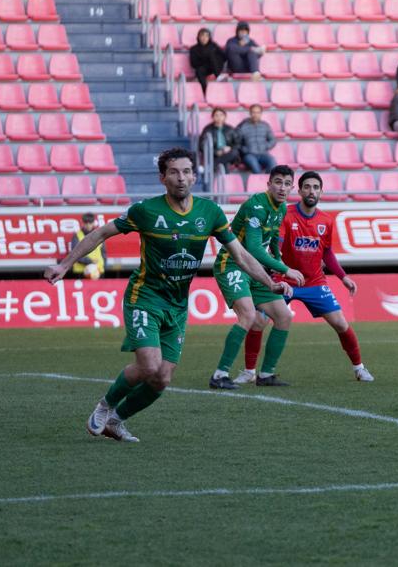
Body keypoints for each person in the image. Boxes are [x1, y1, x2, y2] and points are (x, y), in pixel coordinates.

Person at [45, 148, 280, 443]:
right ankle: (105, 406)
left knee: (162, 378)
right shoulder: (146, 210)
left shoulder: (210, 213)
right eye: (174, 172)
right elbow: (101, 233)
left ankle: (117, 421)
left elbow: (242, 255)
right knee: (149, 365)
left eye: (186, 172)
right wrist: (65, 264)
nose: (181, 178)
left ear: (194, 176)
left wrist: (269, 283)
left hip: (178, 305)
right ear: (162, 178)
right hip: (145, 297)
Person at [240, 172, 371, 384]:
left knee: (340, 323)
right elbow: (276, 245)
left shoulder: (326, 221)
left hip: (314, 282)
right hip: (285, 280)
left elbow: (327, 252)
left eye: (316, 187)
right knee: (258, 321)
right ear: (299, 191)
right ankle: (248, 371)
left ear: (321, 191)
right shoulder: (286, 215)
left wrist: (343, 277)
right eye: (307, 187)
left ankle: (360, 368)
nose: (312, 191)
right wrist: (275, 274)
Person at [208, 166, 305, 389]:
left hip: (256, 268)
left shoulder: (281, 209)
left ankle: (266, 374)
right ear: (268, 184)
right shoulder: (257, 205)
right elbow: (252, 247)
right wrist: (286, 268)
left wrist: (277, 268)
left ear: (292, 187)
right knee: (248, 315)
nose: (282, 187)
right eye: (278, 182)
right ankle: (220, 374)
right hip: (232, 264)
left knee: (283, 316)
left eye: (287, 183)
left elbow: (270, 241)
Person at [198, 107, 240, 173]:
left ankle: (210, 166)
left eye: (221, 115)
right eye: (216, 115)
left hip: (228, 153)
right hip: (214, 154)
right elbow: (201, 145)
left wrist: (230, 148)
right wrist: (216, 152)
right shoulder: (207, 129)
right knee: (225, 164)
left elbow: (238, 144)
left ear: (225, 117)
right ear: (213, 117)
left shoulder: (230, 129)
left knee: (234, 152)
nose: (219, 117)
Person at [237, 104, 277, 173]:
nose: (255, 114)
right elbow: (237, 142)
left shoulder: (265, 125)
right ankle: (259, 183)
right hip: (249, 155)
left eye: (258, 112)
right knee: (256, 167)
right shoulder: (243, 126)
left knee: (272, 162)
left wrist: (265, 146)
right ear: (250, 113)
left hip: (263, 154)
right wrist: (245, 150)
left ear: (261, 114)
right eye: (253, 112)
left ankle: (267, 182)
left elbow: (273, 140)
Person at [188, 28, 226, 93]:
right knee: (199, 71)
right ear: (198, 37)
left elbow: (223, 56)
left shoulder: (213, 45)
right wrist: (205, 57)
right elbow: (193, 64)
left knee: (211, 53)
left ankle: (218, 75)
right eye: (202, 36)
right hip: (204, 67)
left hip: (216, 66)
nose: (204, 38)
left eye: (206, 36)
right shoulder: (193, 49)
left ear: (209, 37)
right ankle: (205, 91)